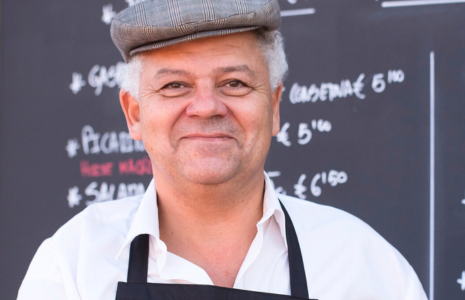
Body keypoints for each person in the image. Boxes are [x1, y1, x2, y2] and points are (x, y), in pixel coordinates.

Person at [18, 0, 428, 299]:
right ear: (134, 114)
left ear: (273, 106)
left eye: (234, 83)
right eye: (174, 85)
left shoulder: (363, 264)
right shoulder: (72, 268)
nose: (207, 107)